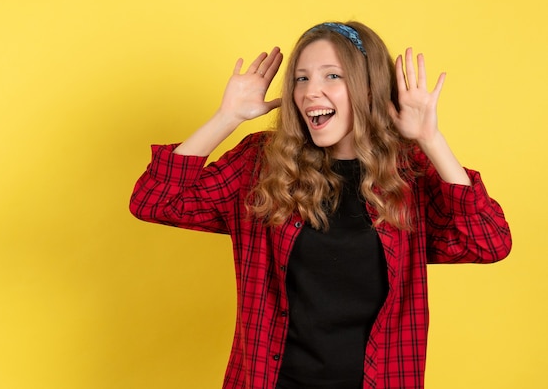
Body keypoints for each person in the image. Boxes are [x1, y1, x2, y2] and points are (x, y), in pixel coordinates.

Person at [129, 21, 512, 389]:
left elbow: (489, 243)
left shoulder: (409, 173)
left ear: (367, 89)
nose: (310, 91)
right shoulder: (261, 163)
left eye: (332, 76)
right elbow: (154, 201)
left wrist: (431, 139)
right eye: (301, 78)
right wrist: (226, 118)